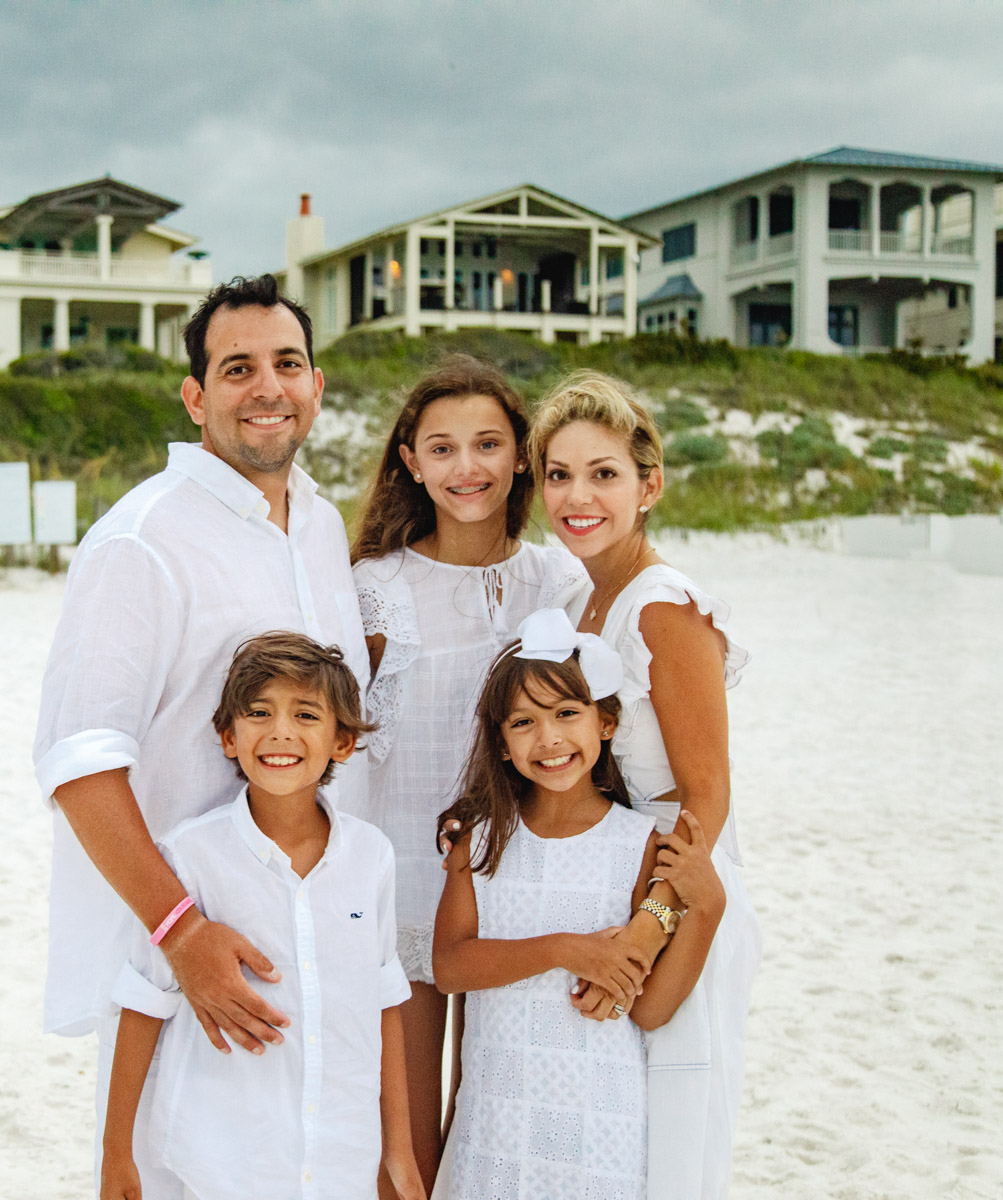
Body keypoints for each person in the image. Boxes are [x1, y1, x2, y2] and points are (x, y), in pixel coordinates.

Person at [33, 275, 370, 1198]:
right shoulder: (141, 540)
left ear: (317, 385)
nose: (268, 387)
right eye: (237, 369)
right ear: (195, 396)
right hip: (182, 967)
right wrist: (183, 934)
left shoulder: (320, 527)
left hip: (311, 956)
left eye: (287, 364)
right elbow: (77, 763)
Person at [348, 354, 587, 1192]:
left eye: (487, 444)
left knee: (495, 1131)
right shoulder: (375, 587)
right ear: (409, 461)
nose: (466, 468)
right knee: (406, 1143)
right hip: (406, 882)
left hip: (515, 887)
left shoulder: (559, 581)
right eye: (441, 449)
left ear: (521, 454)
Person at [532, 371, 761, 1200]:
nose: (578, 495)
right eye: (559, 474)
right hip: (613, 888)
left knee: (677, 1142)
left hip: (679, 895)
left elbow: (708, 797)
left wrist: (650, 924)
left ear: (649, 484)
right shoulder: (580, 599)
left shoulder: (662, 608)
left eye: (604, 473)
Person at [101, 633, 424, 1200]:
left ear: (342, 741)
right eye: (258, 713)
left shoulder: (371, 856)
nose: (280, 731)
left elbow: (383, 1001)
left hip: (340, 1157)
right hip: (224, 1159)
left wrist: (396, 1148)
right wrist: (114, 1154)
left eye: (305, 714)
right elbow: (143, 1003)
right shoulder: (190, 856)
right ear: (228, 737)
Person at [432, 610, 723, 1199]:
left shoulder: (638, 845)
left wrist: (708, 907)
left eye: (567, 714)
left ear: (606, 723)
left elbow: (650, 1011)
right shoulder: (479, 842)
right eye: (524, 722)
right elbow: (450, 967)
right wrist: (566, 950)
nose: (550, 739)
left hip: (601, 1133)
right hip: (494, 1129)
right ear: (502, 743)